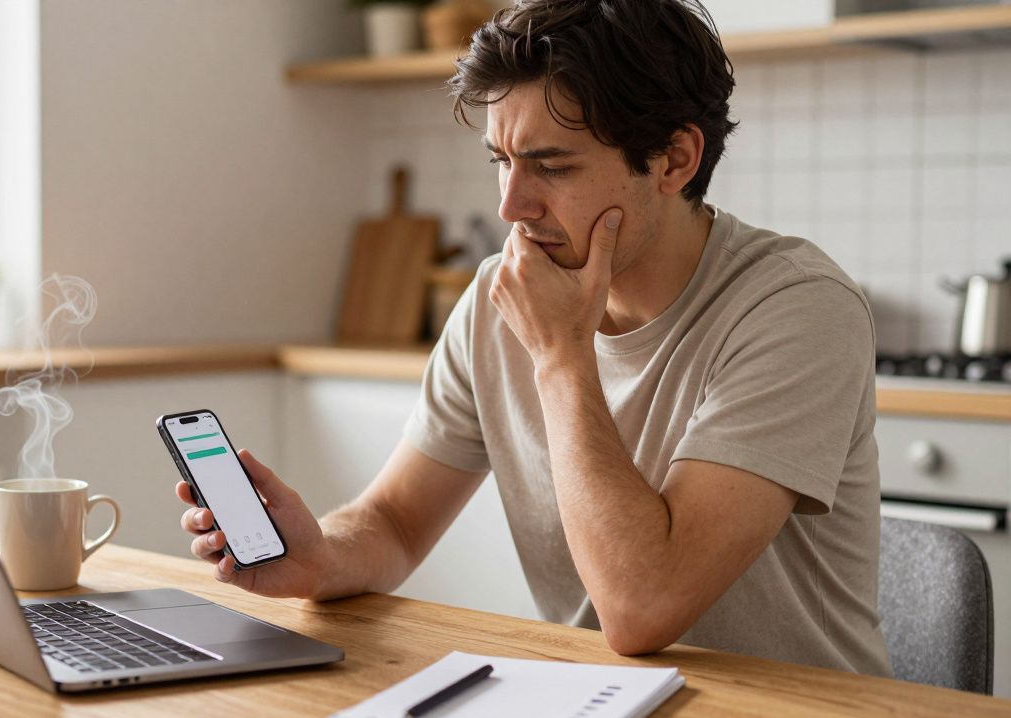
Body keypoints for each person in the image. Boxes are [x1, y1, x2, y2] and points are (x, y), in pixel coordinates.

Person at [175, 0, 891, 676]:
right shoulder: (496, 299)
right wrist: (321, 555)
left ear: (674, 160)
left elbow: (644, 608)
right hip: (596, 704)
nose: (511, 206)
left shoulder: (797, 308)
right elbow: (394, 520)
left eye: (552, 166)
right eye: (501, 161)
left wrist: (560, 354)